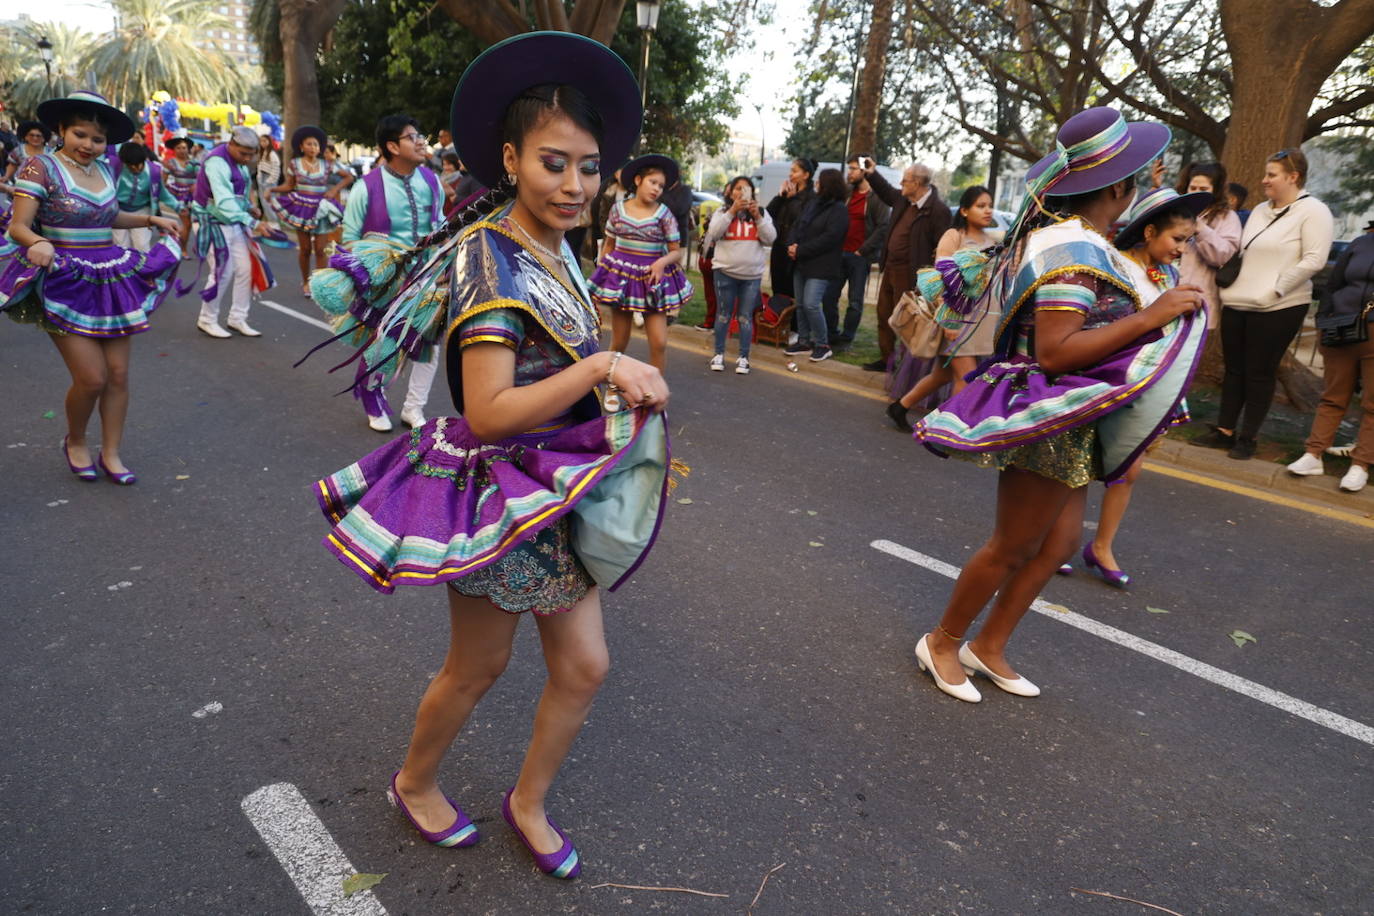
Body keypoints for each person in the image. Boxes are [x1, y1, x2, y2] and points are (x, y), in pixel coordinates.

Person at [309, 30, 671, 880]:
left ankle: (528, 802)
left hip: (559, 487)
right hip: (497, 492)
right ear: (510, 159)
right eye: (553, 163)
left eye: (588, 167)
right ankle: (414, 781)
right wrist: (604, 364)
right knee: (478, 666)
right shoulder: (490, 259)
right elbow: (489, 410)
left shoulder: (557, 249)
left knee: (584, 666)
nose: (574, 184)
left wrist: (609, 395)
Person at [911, 107, 1207, 702]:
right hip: (1048, 413)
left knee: (1059, 544)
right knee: (1013, 543)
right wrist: (1151, 316)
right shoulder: (1070, 247)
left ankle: (988, 646)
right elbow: (1054, 352)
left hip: (1076, 418)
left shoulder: (1094, 246)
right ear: (1119, 187)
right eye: (1139, 178)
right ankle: (941, 641)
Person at [0, 90, 181, 485]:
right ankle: (77, 440)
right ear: (61, 130)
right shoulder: (39, 168)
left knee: (118, 374)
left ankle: (112, 453)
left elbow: (109, 216)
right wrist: (38, 242)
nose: (89, 145)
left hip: (110, 275)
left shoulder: (104, 169)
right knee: (92, 377)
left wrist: (151, 221)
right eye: (80, 135)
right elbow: (18, 225)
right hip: (64, 277)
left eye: (97, 139)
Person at [1069, 186, 1211, 587]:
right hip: (1098, 385)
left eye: (1188, 240)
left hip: (1142, 391)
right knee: (1075, 467)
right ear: (1148, 232)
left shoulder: (1167, 274)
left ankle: (1101, 546)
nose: (1182, 249)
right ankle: (1054, 540)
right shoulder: (1111, 267)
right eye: (1177, 239)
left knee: (1127, 470)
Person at [1203, 149, 1334, 459]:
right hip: (1238, 301)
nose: (1264, 180)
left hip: (1279, 306)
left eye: (1272, 175)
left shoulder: (1314, 211)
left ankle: (1248, 438)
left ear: (1293, 177)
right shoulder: (1261, 210)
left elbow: (1315, 259)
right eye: (1266, 174)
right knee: (1234, 370)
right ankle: (1224, 431)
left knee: (1260, 372)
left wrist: (1276, 290)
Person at [333, 114, 446, 432]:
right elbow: (349, 239)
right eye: (413, 137)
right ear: (392, 146)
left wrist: (443, 261)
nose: (421, 141)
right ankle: (372, 397)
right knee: (384, 344)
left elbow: (438, 224)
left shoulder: (431, 181)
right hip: (385, 283)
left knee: (430, 344)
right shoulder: (364, 187)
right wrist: (376, 261)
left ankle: (414, 408)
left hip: (428, 275)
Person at [886, 185, 1000, 432]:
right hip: (955, 319)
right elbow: (941, 279)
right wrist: (950, 320)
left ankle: (900, 407)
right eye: (981, 205)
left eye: (990, 205)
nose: (988, 210)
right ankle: (949, 430)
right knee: (966, 377)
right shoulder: (953, 236)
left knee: (943, 375)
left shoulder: (992, 242)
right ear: (965, 210)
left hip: (976, 324)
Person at [1286, 223, 1374, 493]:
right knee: (1333, 395)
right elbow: (1333, 285)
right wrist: (1325, 321)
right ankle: (1313, 455)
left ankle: (1360, 465)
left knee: (1372, 403)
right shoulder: (1360, 243)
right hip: (1342, 328)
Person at [588, 153, 692, 372]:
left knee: (659, 342)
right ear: (638, 180)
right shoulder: (618, 210)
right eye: (653, 182)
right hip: (623, 281)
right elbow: (609, 245)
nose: (656, 189)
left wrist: (661, 262)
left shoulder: (664, 214)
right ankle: (613, 387)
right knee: (619, 341)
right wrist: (603, 276)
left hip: (653, 281)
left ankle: (654, 397)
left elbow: (676, 253)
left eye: (661, 186)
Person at [863, 160, 953, 371]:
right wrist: (872, 173)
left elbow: (942, 248)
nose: (901, 183)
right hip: (890, 268)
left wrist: (929, 279)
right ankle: (887, 360)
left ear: (919, 183)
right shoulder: (903, 200)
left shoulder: (938, 211)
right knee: (884, 315)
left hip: (911, 274)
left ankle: (905, 368)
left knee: (905, 321)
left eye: (906, 179)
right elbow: (885, 191)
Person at [188, 125, 276, 339]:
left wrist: (248, 207)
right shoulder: (217, 162)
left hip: (232, 222)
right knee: (222, 271)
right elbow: (225, 202)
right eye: (243, 153)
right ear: (231, 145)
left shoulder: (239, 163)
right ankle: (207, 320)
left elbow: (237, 194)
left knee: (246, 269)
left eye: (250, 155)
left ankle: (237, 318)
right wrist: (254, 223)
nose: (246, 159)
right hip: (211, 223)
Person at [703, 175, 775, 374]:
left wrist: (758, 218)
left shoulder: (761, 213)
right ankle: (718, 354)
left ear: (752, 193)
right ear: (730, 192)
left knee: (745, 317)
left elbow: (770, 239)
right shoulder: (722, 212)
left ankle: (743, 357)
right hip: (725, 272)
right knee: (724, 315)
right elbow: (714, 233)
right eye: (737, 188)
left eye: (746, 189)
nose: (741, 192)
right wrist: (732, 211)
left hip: (751, 275)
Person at [271, 125, 352, 296]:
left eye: (316, 144)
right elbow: (289, 185)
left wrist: (333, 190)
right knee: (306, 249)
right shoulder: (294, 164)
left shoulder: (327, 164)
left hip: (320, 210)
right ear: (301, 147)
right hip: (301, 207)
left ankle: (319, 284)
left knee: (321, 249)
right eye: (309, 144)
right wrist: (272, 190)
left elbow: (349, 177)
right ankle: (306, 281)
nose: (313, 147)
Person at [823, 154, 890, 348]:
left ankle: (846, 338)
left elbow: (883, 226)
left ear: (864, 171)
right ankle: (831, 333)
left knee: (855, 301)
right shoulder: (846, 194)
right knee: (828, 297)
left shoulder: (876, 197)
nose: (849, 172)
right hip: (839, 254)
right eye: (849, 168)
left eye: (853, 169)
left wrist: (863, 250)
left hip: (860, 257)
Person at [782, 168, 849, 362]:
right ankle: (804, 341)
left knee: (811, 304)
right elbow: (797, 225)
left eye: (820, 182)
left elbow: (830, 238)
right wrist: (792, 245)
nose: (817, 184)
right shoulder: (813, 203)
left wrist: (800, 249)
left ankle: (822, 344)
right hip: (801, 262)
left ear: (829, 185)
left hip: (821, 265)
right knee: (801, 304)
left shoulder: (839, 210)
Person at [1174, 161, 1242, 330]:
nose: (1196, 193)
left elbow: (1223, 257)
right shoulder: (1175, 211)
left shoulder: (1228, 218)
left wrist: (1200, 228)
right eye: (1193, 188)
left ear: (1215, 191)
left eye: (1203, 190)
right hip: (1165, 296)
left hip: (1198, 301)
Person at [111, 142, 180, 252]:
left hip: (142, 211)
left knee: (142, 246)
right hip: (118, 210)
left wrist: (179, 207)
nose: (135, 169)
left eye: (138, 165)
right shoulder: (114, 167)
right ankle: (126, 269)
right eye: (130, 166)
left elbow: (163, 194)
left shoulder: (154, 171)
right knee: (121, 246)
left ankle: (141, 269)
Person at [765, 157, 816, 302]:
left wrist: (794, 198)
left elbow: (803, 222)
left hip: (794, 251)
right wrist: (781, 196)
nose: (790, 174)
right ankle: (778, 321)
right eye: (790, 171)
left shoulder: (811, 198)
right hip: (779, 247)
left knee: (792, 292)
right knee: (777, 289)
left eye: (794, 171)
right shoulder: (787, 194)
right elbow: (768, 214)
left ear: (806, 175)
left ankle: (793, 324)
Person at [1, 120, 52, 235]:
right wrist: (5, 178)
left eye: (38, 136)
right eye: (32, 135)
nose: (35, 138)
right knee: (22, 222)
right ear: (26, 137)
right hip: (21, 191)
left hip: (45, 194)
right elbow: (12, 166)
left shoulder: (50, 153)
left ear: (44, 138)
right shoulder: (18, 151)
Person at [163, 136, 199, 259]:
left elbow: (202, 178)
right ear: (174, 149)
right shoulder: (170, 162)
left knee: (196, 224)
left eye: (184, 147)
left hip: (195, 197)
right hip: (179, 197)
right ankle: (182, 249)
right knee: (187, 224)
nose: (182, 150)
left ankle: (176, 245)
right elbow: (163, 181)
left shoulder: (194, 162)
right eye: (178, 148)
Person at [255, 132, 282, 226]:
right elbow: (260, 166)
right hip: (262, 178)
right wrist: (259, 177)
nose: (262, 143)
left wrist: (269, 181)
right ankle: (271, 222)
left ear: (269, 142)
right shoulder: (262, 153)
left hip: (268, 179)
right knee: (263, 202)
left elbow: (276, 168)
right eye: (261, 141)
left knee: (269, 202)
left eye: (264, 141)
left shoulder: (272, 154)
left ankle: (274, 222)